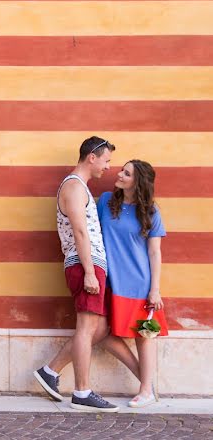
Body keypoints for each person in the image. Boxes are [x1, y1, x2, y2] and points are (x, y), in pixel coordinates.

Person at [32, 137, 139, 412]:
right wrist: (90, 272)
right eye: (106, 160)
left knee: (99, 328)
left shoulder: (79, 187)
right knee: (86, 328)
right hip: (84, 263)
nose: (108, 167)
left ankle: (50, 371)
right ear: (92, 157)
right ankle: (82, 391)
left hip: (91, 263)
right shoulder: (74, 187)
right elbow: (80, 231)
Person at [97, 160, 167, 408]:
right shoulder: (105, 201)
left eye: (126, 173)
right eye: (121, 170)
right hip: (109, 281)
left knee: (144, 336)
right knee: (101, 332)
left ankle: (145, 389)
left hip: (139, 283)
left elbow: (155, 253)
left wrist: (154, 289)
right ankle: (146, 381)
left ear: (138, 182)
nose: (119, 174)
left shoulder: (150, 212)